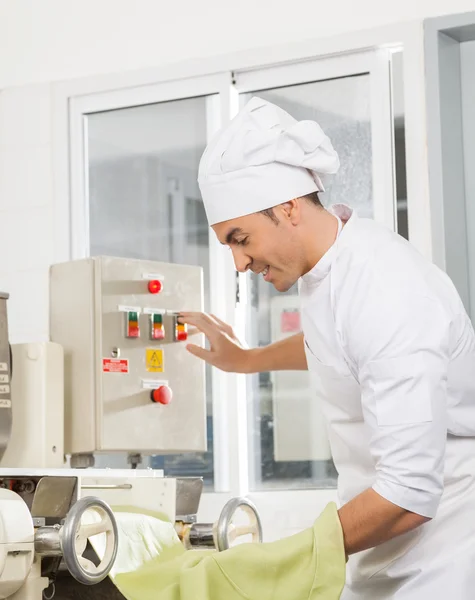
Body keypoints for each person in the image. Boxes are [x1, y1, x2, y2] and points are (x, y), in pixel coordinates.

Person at [179, 97, 475, 599]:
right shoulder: (329, 270)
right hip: (381, 549)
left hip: (444, 552)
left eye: (241, 237)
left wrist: (287, 559)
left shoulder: (384, 287)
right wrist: (247, 360)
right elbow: (337, 348)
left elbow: (409, 492)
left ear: (289, 207)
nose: (238, 262)